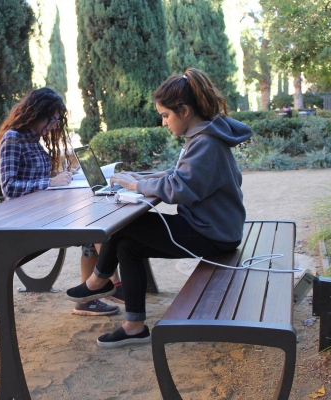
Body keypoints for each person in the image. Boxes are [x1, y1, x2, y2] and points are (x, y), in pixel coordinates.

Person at [65, 68, 253, 347]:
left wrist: (136, 186)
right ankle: (134, 326)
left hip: (212, 235)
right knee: (129, 245)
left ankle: (99, 281)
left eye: (166, 115)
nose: (164, 122)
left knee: (125, 226)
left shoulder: (206, 143)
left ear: (185, 111)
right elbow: (179, 174)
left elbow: (178, 188)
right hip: (212, 228)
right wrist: (139, 178)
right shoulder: (203, 137)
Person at [0, 87, 121, 316]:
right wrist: (50, 183)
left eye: (56, 121)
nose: (53, 126)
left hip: (44, 210)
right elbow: (9, 188)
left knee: (96, 223)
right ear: (36, 113)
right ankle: (114, 285)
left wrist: (61, 179)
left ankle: (90, 296)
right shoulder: (13, 138)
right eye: (52, 119)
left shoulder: (34, 139)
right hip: (26, 217)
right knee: (94, 228)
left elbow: (35, 179)